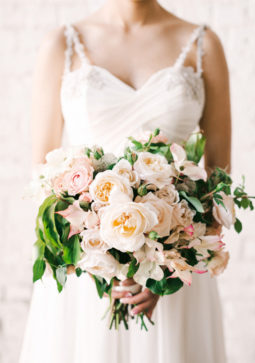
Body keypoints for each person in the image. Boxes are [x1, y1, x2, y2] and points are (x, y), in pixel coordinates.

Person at [19, 0, 231, 362]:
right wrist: (98, 258)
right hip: (85, 276)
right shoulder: (62, 44)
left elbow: (218, 177)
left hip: (176, 277)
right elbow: (43, 174)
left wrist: (167, 270)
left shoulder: (202, 44)